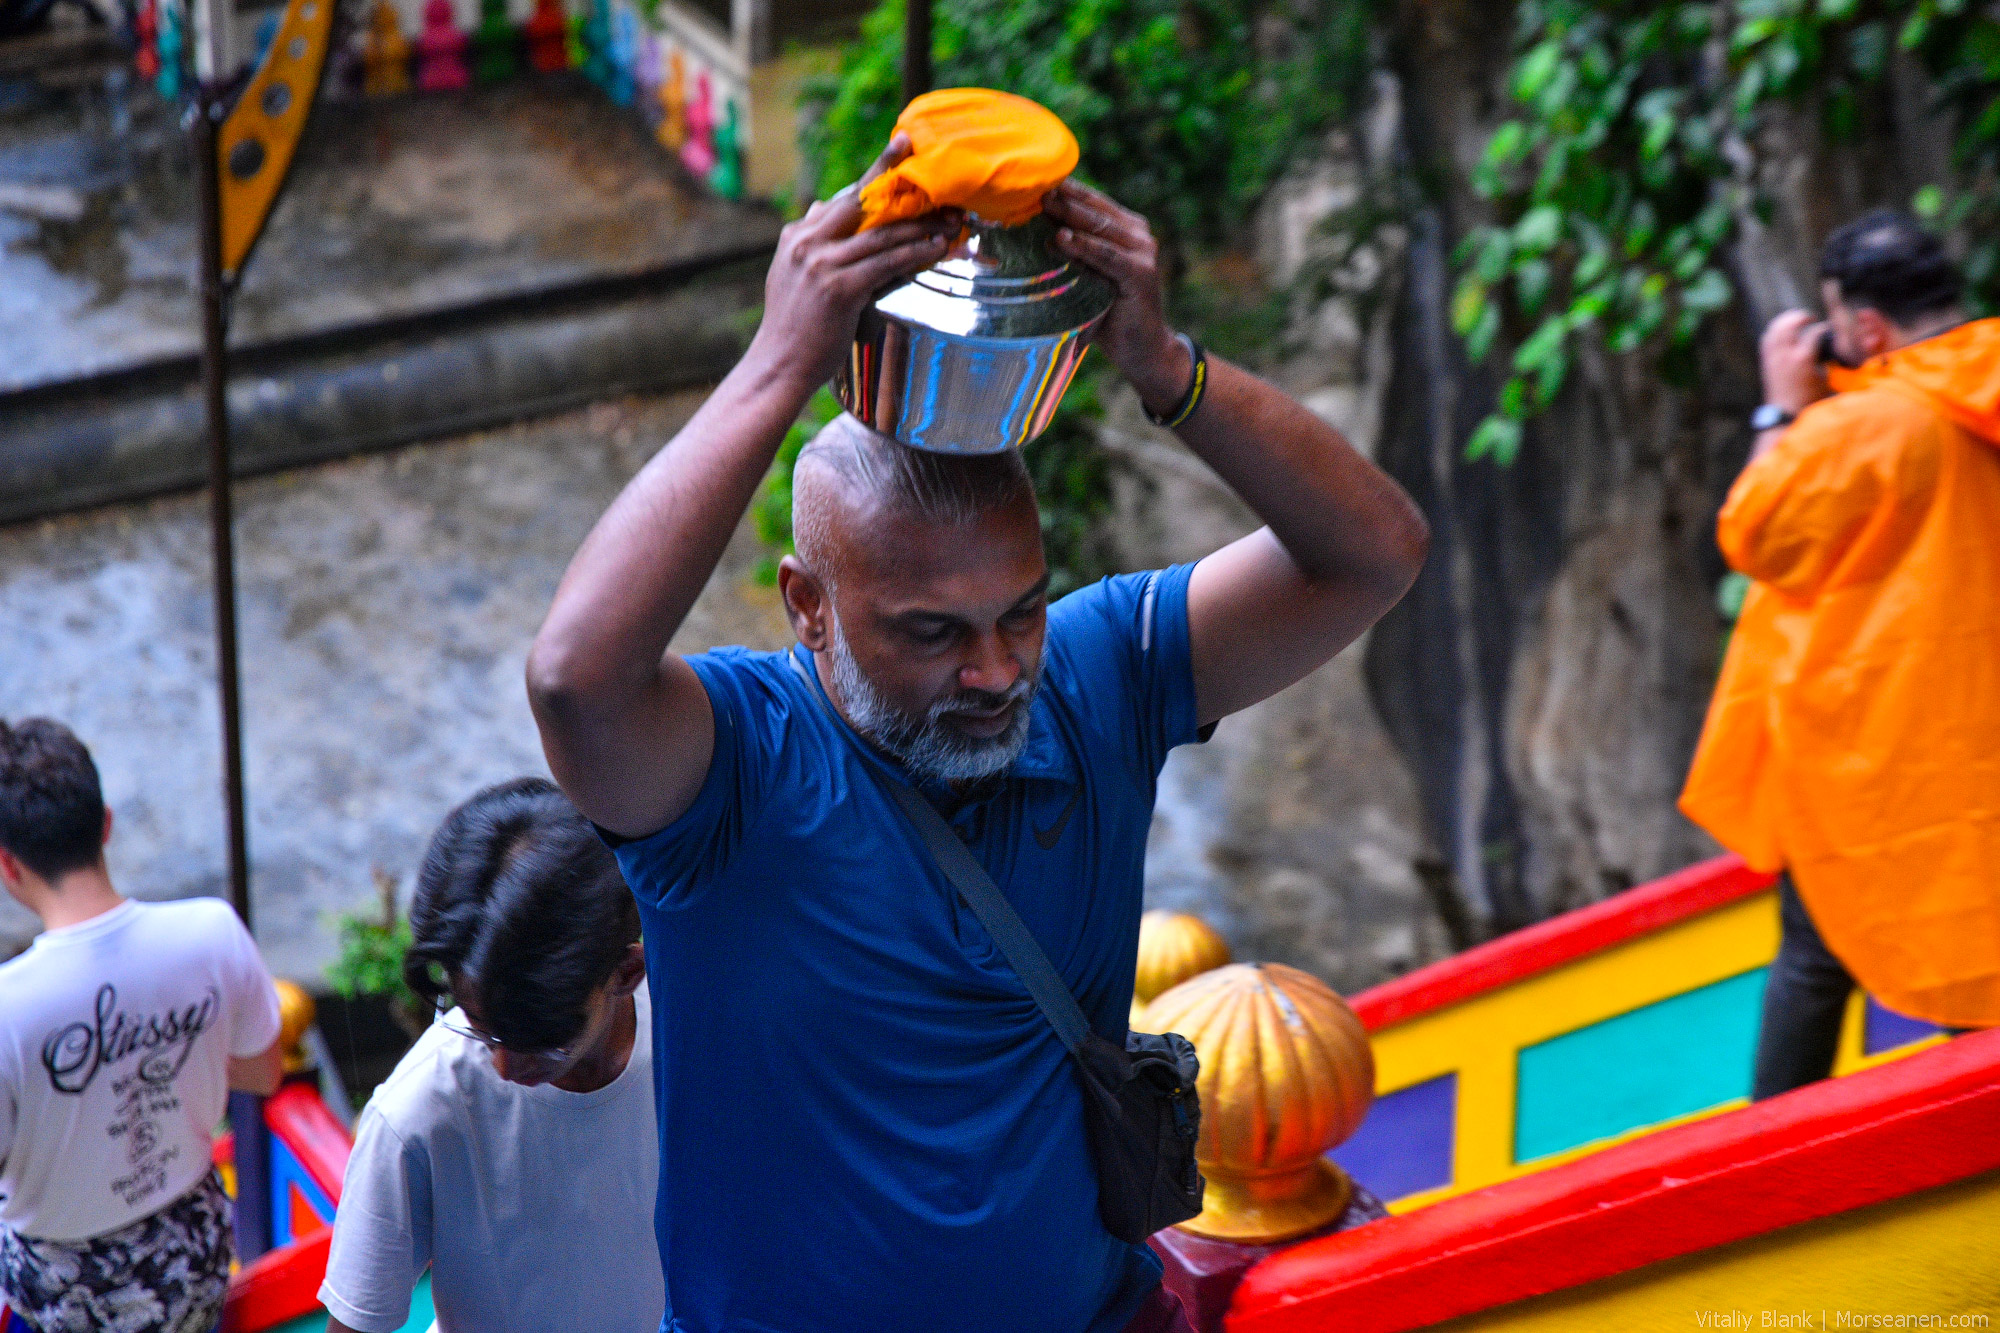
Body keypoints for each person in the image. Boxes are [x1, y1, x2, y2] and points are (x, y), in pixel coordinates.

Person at [526, 126, 1429, 1333]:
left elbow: (1374, 551)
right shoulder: (733, 765)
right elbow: (576, 682)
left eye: (1018, 612)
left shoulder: (1099, 677)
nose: (997, 668)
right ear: (807, 605)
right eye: (931, 633)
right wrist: (780, 362)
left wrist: (1164, 366)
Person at [1681, 210, 2000, 1099]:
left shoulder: (1870, 425)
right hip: (1980, 731)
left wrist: (1780, 406)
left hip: (1886, 749)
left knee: (1821, 954)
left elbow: (1758, 531)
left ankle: (1771, 1166)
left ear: (1864, 327)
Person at [318, 777, 662, 1333]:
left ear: (626, 972)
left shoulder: (696, 1044)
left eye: (540, 1039)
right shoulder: (419, 1112)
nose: (503, 1066)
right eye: (481, 1026)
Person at [0, 717, 283, 1333]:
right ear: (105, 824)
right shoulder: (211, 931)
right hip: (192, 1261)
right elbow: (263, 1073)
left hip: (67, 1296)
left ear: (6, 863)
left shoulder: (7, 1006)